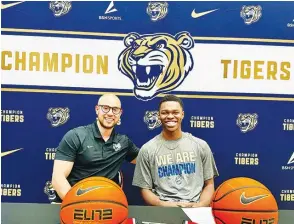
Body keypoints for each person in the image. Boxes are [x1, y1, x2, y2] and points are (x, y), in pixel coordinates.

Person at [132, 95, 219, 208]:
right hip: (162, 210)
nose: (170, 116)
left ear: (182, 114)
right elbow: (145, 189)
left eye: (175, 112)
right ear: (158, 116)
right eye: (165, 112)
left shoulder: (200, 145)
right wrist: (164, 205)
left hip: (195, 209)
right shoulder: (147, 149)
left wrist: (200, 205)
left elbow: (209, 184)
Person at [50, 94, 139, 203]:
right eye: (105, 108)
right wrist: (77, 203)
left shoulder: (123, 142)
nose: (110, 113)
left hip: (104, 205)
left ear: (120, 113)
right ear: (97, 109)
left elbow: (146, 160)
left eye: (115, 110)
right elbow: (58, 178)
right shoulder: (76, 136)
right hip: (73, 204)